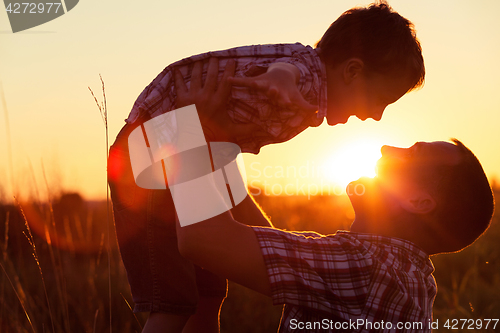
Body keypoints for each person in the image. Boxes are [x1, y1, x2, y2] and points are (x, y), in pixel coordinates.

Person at [108, 2, 425, 332]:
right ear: (352, 72)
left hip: (181, 152)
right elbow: (288, 71)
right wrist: (279, 80)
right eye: (381, 100)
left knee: (209, 293)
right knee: (172, 303)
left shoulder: (308, 92)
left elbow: (222, 161)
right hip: (148, 151)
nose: (376, 116)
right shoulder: (303, 82)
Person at [173, 68, 495, 332]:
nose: (386, 150)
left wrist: (188, 128)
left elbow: (203, 239)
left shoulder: (365, 266)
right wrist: (218, 143)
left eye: (412, 154)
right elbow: (261, 241)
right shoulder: (407, 274)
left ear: (419, 202)